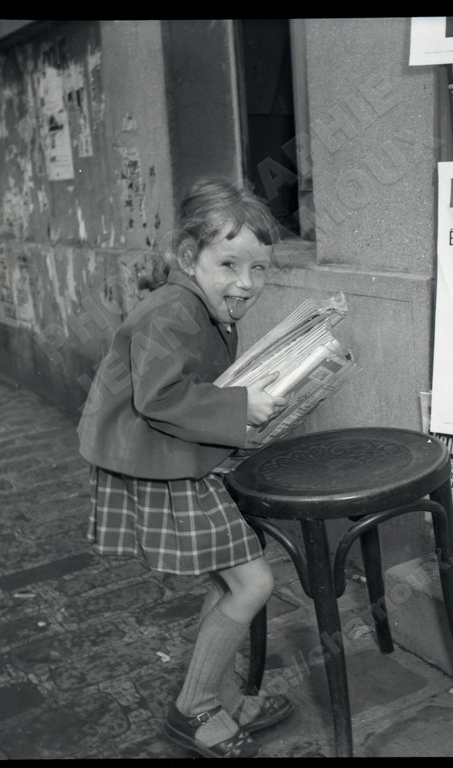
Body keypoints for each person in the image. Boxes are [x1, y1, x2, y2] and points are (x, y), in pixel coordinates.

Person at [77, 177, 294, 758]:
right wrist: (239, 408)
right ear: (187, 255)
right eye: (229, 264)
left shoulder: (203, 304)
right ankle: (192, 708)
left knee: (229, 580)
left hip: (176, 457)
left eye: (259, 269)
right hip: (159, 464)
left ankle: (217, 694)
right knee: (253, 581)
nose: (245, 283)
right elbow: (160, 396)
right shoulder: (173, 310)